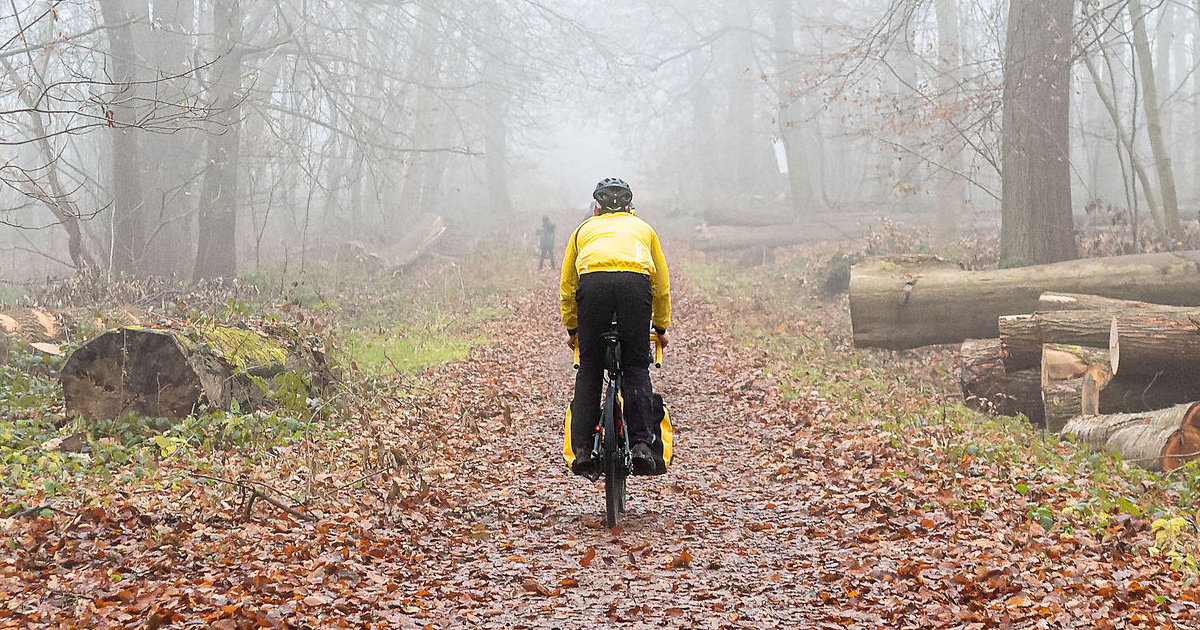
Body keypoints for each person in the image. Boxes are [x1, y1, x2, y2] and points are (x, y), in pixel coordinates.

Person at [560, 177, 671, 477]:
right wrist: (660, 326)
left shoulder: (583, 231)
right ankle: (641, 446)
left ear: (596, 208)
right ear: (630, 208)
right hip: (634, 286)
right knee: (636, 366)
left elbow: (568, 285)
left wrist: (573, 330)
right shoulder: (644, 229)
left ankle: (583, 450)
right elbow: (660, 285)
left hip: (592, 287)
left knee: (590, 368)